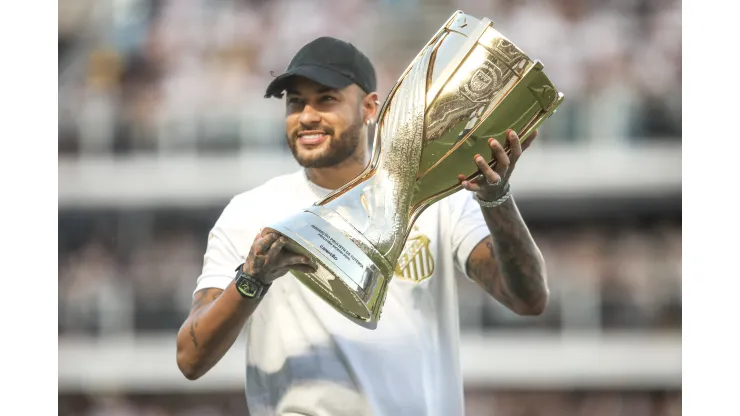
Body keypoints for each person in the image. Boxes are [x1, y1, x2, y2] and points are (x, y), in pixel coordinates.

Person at [175, 36, 549, 416]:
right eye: (295, 102)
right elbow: (190, 359)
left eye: (326, 99)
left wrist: (494, 198)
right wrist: (252, 279)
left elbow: (528, 299)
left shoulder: (438, 200)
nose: (306, 115)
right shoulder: (251, 212)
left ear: (370, 108)